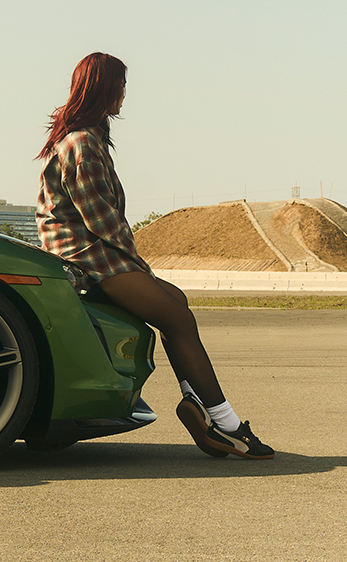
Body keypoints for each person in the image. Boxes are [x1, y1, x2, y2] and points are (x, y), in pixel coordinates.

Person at [36, 52, 274, 460]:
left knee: (176, 302)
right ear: (104, 88)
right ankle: (226, 422)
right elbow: (102, 220)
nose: (125, 96)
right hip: (87, 257)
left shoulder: (86, 138)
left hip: (95, 253)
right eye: (122, 86)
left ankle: (197, 408)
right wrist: (139, 266)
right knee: (177, 316)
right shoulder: (81, 143)